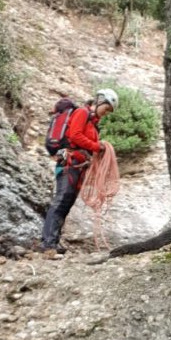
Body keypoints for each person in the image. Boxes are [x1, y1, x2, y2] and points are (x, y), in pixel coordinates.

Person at [41, 88, 119, 253]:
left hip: (78, 166)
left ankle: (53, 242)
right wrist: (97, 146)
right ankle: (48, 244)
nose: (106, 113)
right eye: (106, 109)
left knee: (66, 203)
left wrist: (96, 150)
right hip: (69, 163)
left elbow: (86, 144)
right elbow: (75, 136)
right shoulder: (82, 113)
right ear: (99, 101)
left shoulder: (93, 124)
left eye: (109, 112)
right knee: (61, 200)